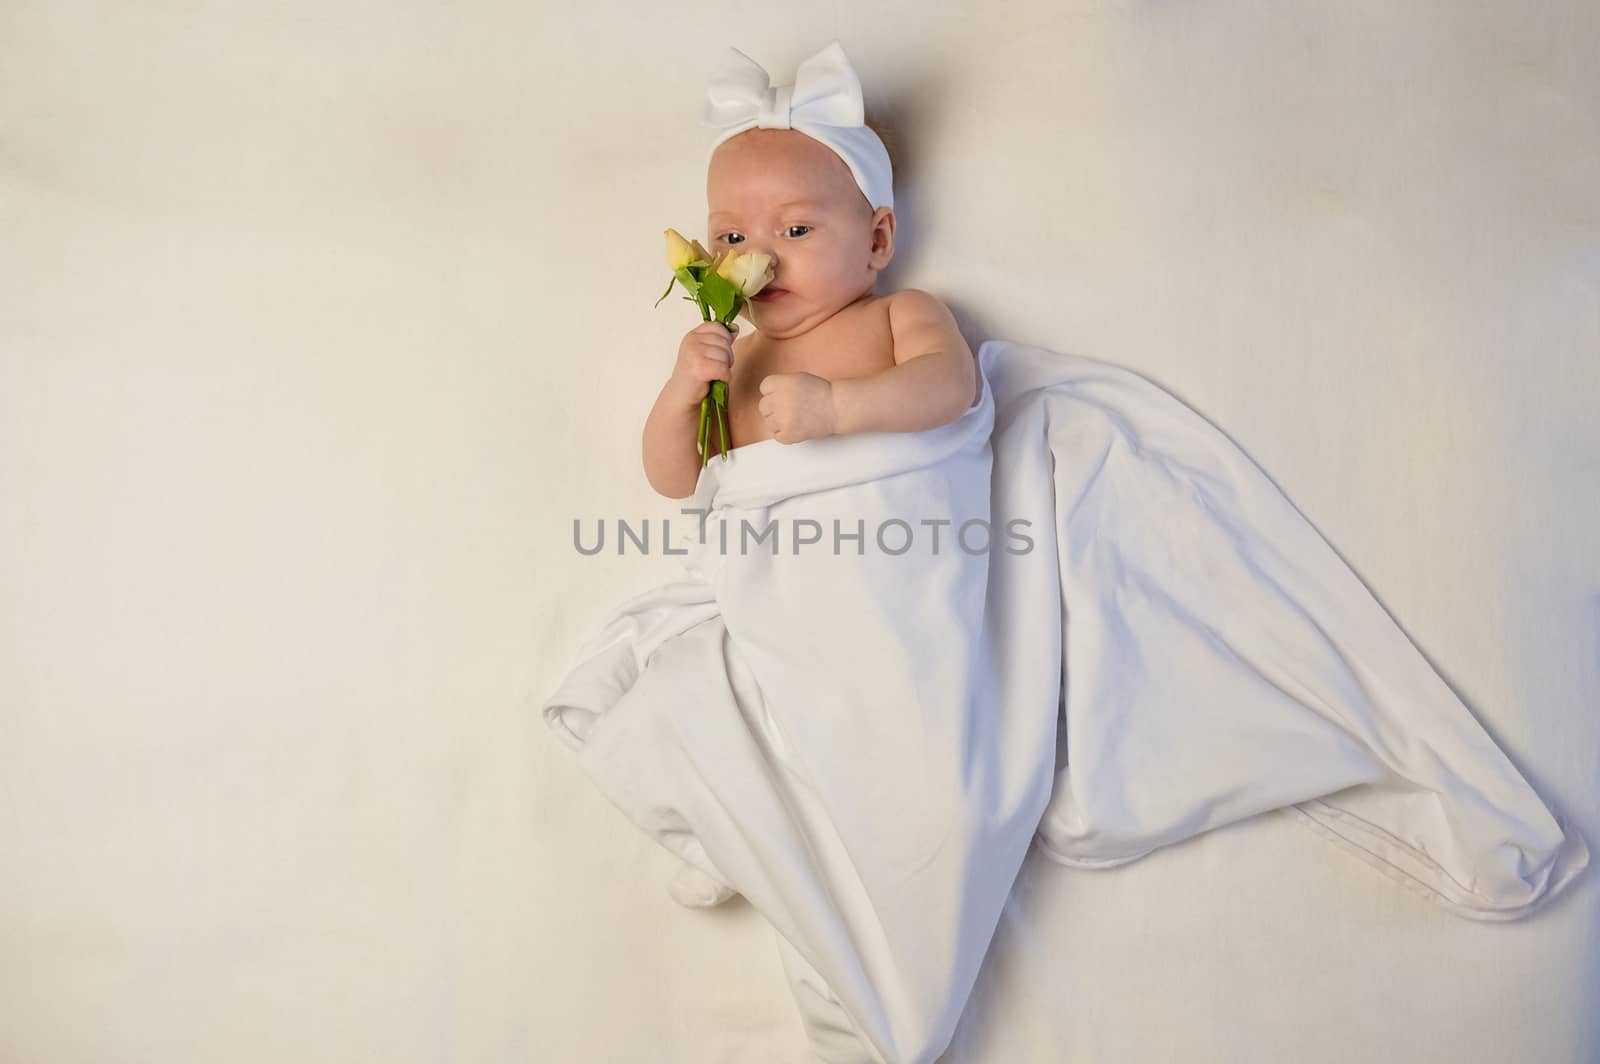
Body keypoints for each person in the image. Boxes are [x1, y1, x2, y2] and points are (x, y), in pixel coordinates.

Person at [641, 40, 978, 500]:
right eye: (733, 239)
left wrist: (836, 408)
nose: (762, 259)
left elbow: (951, 387)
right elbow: (676, 483)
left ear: (877, 240)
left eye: (797, 229)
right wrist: (683, 389)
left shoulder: (899, 316)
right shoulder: (734, 363)